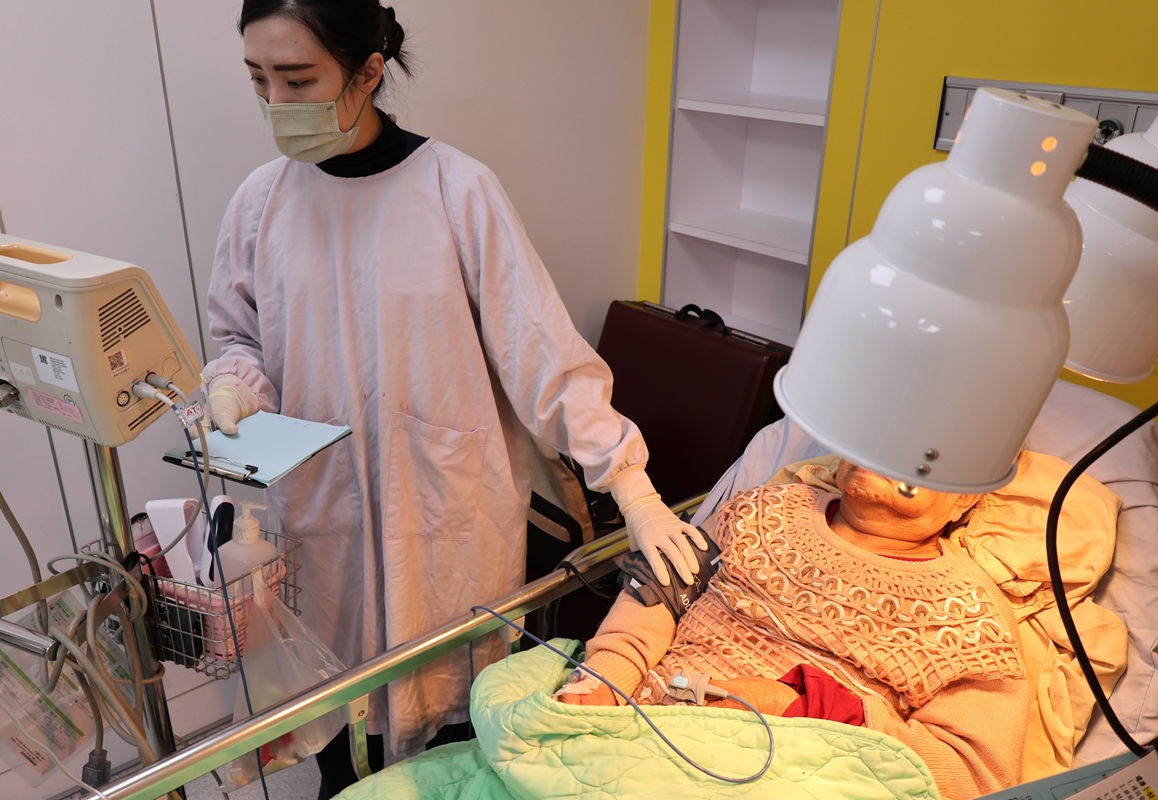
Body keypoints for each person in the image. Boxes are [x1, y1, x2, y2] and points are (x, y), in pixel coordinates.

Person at [199, 1, 706, 795]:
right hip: (323, 524)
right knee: (342, 742)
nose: (276, 102)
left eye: (298, 80)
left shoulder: (455, 190)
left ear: (368, 72)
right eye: (259, 79)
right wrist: (234, 383)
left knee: (456, 751)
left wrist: (630, 486)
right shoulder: (260, 204)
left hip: (445, 522)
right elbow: (241, 337)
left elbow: (543, 357)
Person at [558, 459, 1031, 800]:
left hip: (787, 776)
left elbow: (972, 777)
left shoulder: (970, 616)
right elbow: (661, 590)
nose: (884, 449)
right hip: (631, 728)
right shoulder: (762, 509)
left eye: (920, 447)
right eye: (877, 430)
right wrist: (606, 679)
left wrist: (798, 705)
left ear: (967, 494)